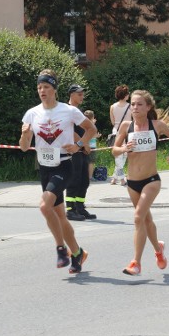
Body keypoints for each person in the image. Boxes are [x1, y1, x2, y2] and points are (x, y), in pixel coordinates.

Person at [20, 70, 96, 274]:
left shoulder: (68, 111)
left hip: (63, 165)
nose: (42, 91)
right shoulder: (32, 113)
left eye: (45, 87)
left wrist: (79, 144)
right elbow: (25, 147)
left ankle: (61, 249)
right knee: (59, 216)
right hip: (44, 167)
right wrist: (25, 135)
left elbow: (91, 130)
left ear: (54, 89)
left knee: (45, 207)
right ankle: (78, 253)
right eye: (39, 87)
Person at [111, 90, 169, 276]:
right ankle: (158, 250)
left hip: (151, 180)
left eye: (139, 104)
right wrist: (123, 148)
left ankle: (136, 263)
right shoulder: (126, 126)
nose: (135, 107)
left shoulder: (157, 125)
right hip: (132, 182)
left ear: (148, 107)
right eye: (132, 104)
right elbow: (114, 150)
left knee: (137, 217)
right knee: (146, 220)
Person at [65, 84, 97, 221]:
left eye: (82, 94)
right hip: (74, 151)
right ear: (71, 95)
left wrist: (86, 145)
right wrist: (83, 145)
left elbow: (85, 130)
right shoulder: (67, 110)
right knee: (74, 179)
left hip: (82, 150)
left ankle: (80, 207)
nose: (82, 96)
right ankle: (70, 209)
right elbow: (69, 130)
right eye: (79, 94)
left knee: (84, 180)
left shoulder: (78, 110)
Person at [109, 84, 130, 185]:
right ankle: (122, 179)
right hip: (127, 131)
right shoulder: (130, 107)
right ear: (125, 95)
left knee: (119, 155)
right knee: (124, 155)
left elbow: (113, 122)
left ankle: (114, 178)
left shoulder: (112, 107)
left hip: (116, 131)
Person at [83, 110, 98, 181]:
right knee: (91, 162)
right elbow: (93, 134)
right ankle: (90, 177)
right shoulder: (92, 125)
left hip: (84, 144)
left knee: (84, 161)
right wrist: (97, 135)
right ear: (93, 117)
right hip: (91, 145)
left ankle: (83, 176)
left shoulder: (82, 124)